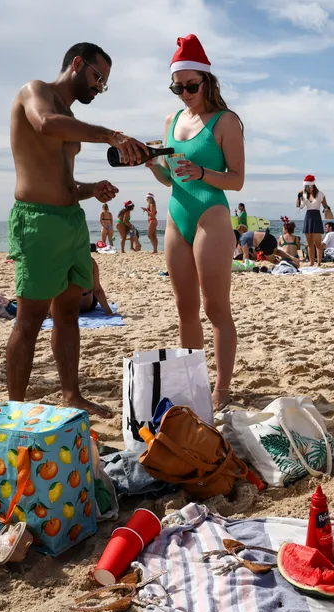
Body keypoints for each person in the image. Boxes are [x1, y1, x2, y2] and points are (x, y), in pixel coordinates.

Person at [6, 42, 148, 417]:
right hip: (37, 219)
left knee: (68, 315)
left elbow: (63, 181)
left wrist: (90, 189)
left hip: (71, 221)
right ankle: (14, 408)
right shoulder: (36, 91)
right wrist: (111, 135)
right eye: (98, 77)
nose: (100, 88)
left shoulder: (70, 113)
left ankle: (71, 394)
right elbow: (44, 124)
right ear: (77, 63)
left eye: (105, 83)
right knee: (29, 318)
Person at [145, 34, 244, 412]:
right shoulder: (172, 120)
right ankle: (192, 381)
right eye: (177, 86)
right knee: (184, 306)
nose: (184, 93)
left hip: (211, 216)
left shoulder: (226, 121)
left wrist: (202, 170)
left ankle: (222, 388)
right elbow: (170, 180)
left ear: (207, 81)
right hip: (176, 215)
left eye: (190, 85)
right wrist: (154, 164)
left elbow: (236, 180)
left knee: (215, 307)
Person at [296, 174, 330, 266]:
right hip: (308, 216)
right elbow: (299, 206)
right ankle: (311, 262)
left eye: (309, 186)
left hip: (316, 216)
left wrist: (326, 209)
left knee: (318, 243)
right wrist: (299, 196)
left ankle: (318, 262)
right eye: (306, 186)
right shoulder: (304, 195)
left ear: (313, 185)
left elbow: (325, 205)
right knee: (310, 243)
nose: (307, 188)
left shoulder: (320, 194)